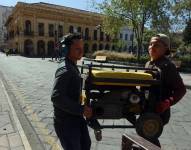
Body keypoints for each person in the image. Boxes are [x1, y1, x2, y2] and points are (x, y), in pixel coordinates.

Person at [51, 33, 92, 150]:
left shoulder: (72, 65)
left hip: (75, 117)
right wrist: (81, 109)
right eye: (77, 48)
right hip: (66, 123)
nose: (81, 51)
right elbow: (56, 97)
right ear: (66, 49)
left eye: (82, 48)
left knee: (85, 144)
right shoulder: (66, 69)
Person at [145, 33, 186, 147]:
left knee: (148, 137)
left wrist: (167, 103)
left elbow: (181, 89)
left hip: (159, 111)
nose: (152, 47)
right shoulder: (149, 63)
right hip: (146, 108)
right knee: (145, 136)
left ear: (165, 49)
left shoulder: (168, 66)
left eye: (157, 44)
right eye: (151, 44)